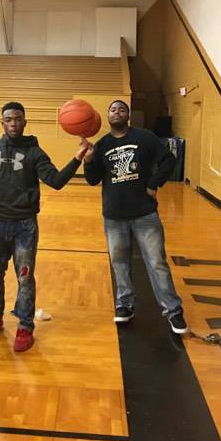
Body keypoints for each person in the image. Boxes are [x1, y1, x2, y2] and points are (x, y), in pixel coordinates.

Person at [0, 101, 88, 352]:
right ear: (2, 123)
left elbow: (55, 181)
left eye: (18, 119)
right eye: (8, 120)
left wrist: (77, 158)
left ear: (25, 122)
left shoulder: (35, 153)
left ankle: (25, 327)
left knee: (25, 278)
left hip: (25, 226)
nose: (13, 124)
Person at [82, 100, 188, 334]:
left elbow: (169, 159)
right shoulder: (101, 145)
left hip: (144, 213)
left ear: (128, 115)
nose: (117, 112)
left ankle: (174, 311)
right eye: (112, 109)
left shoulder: (144, 137)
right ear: (107, 116)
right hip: (114, 216)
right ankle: (125, 305)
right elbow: (92, 179)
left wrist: (153, 183)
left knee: (157, 262)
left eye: (121, 109)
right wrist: (88, 161)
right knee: (119, 263)